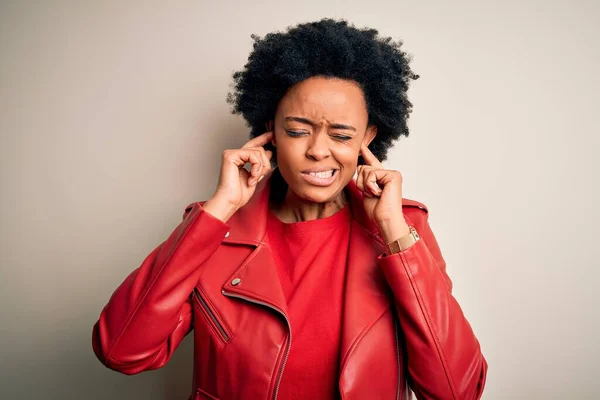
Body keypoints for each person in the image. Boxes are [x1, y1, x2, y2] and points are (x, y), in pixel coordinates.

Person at [92, 18, 487, 400]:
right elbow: (122, 351)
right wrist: (220, 208)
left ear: (368, 136)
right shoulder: (217, 231)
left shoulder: (402, 228)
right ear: (271, 130)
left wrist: (394, 232)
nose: (317, 150)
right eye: (297, 131)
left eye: (342, 134)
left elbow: (456, 392)